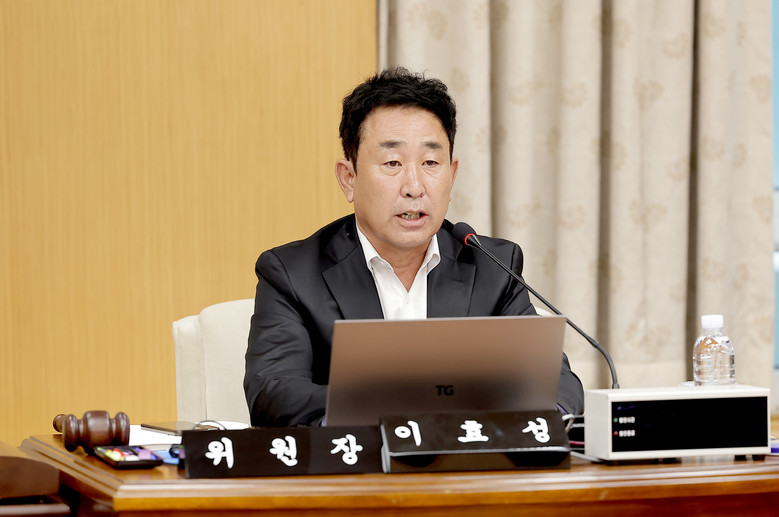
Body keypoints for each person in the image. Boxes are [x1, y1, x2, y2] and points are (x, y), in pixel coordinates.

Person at [244, 67, 584, 427]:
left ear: (452, 174)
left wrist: (547, 422)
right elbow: (274, 393)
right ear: (349, 178)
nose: (414, 186)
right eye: (392, 163)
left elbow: (555, 383)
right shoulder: (293, 274)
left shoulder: (492, 267)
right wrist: (399, 405)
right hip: (356, 461)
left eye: (430, 163)